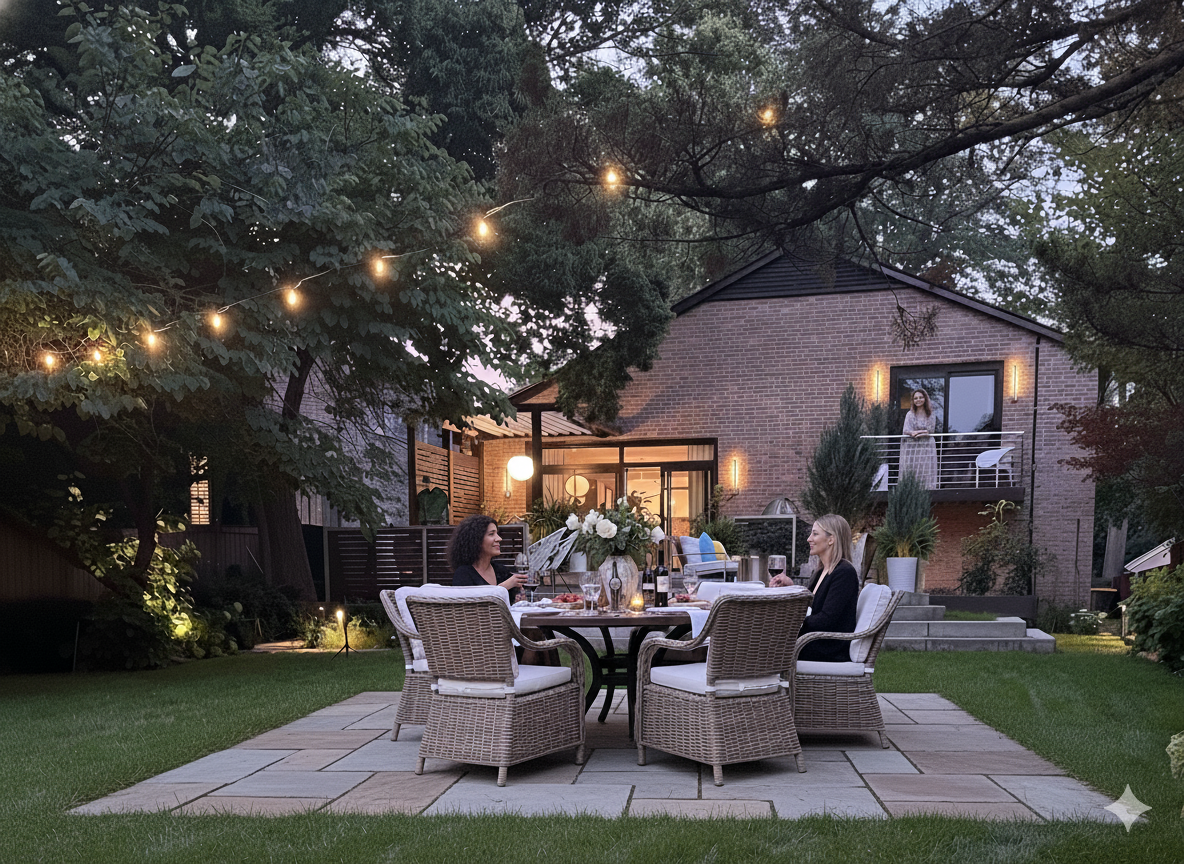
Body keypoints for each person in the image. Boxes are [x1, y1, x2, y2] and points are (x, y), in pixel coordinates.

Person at [770, 514, 859, 662]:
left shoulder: (844, 573)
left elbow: (826, 619)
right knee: (763, 639)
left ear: (831, 539)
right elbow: (812, 605)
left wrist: (791, 621)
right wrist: (791, 587)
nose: (809, 539)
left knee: (767, 645)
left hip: (827, 648)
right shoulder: (821, 571)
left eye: (815, 534)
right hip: (813, 641)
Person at [448, 515, 527, 602]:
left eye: (497, 534)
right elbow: (468, 608)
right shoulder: (463, 574)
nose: (499, 538)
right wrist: (504, 587)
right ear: (476, 540)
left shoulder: (501, 571)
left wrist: (521, 595)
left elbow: (514, 604)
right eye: (491, 534)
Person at [900, 388, 939, 489]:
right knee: (912, 469)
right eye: (916, 398)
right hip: (912, 448)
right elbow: (906, 430)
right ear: (913, 401)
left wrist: (918, 432)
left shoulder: (930, 414)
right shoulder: (909, 414)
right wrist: (914, 433)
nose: (918, 400)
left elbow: (930, 430)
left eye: (921, 397)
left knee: (925, 468)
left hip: (926, 447)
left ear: (925, 399)